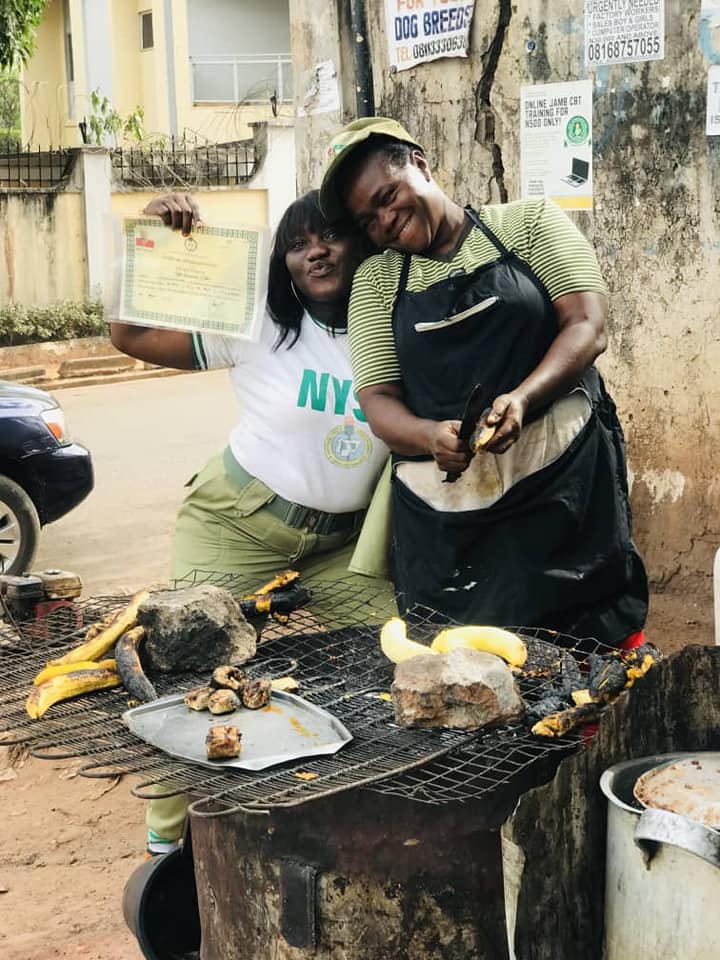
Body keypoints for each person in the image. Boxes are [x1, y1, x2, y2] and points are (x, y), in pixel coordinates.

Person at [110, 189, 395, 853]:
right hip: (235, 522)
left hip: (337, 547)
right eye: (298, 242)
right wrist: (146, 243)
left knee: (394, 646)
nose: (315, 250)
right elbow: (129, 336)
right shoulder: (260, 322)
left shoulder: (393, 325)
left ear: (363, 241)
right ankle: (167, 845)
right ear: (284, 261)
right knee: (190, 672)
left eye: (329, 235)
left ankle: (356, 807)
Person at [318, 117, 648, 648]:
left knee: (594, 635)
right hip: (450, 511)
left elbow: (587, 325)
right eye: (367, 218)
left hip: (562, 482)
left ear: (420, 166)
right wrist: (429, 437)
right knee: (462, 656)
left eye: (388, 195)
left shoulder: (529, 224)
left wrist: (521, 398)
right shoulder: (377, 281)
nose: (385, 219)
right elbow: (378, 401)